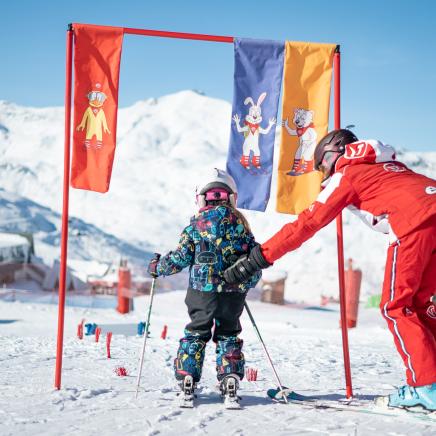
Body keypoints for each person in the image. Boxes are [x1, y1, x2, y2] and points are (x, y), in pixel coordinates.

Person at [224, 130, 436, 411]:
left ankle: (425, 387)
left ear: (333, 153)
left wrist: (258, 258)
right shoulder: (388, 165)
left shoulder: (348, 173)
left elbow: (307, 223)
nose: (322, 172)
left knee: (395, 306)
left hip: (414, 223)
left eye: (321, 165)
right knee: (422, 306)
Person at [147, 168, 261, 408]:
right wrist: (244, 283)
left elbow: (179, 258)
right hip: (233, 293)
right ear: (231, 198)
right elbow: (255, 262)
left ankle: (188, 378)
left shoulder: (195, 227)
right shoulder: (242, 227)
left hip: (201, 291)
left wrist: (158, 267)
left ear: (201, 198)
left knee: (196, 332)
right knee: (228, 333)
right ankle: (229, 379)